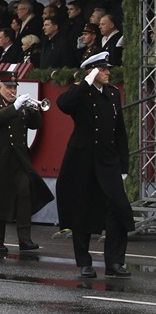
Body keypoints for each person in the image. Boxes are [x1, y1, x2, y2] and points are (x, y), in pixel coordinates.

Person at [56, 52, 133, 278]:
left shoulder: (113, 93)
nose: (108, 72)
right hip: (83, 161)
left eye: (108, 69)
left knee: (118, 209)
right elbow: (64, 105)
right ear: (92, 71)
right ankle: (84, 262)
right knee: (82, 211)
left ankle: (115, 262)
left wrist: (124, 166)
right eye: (103, 69)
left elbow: (119, 131)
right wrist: (85, 83)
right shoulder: (80, 93)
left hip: (108, 161)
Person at [0, 71, 54, 254]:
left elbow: (35, 124)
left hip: (19, 158)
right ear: (0, 87)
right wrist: (15, 107)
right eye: (8, 87)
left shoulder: (20, 105)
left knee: (24, 196)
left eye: (14, 87)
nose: (11, 91)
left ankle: (25, 239)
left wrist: (33, 109)